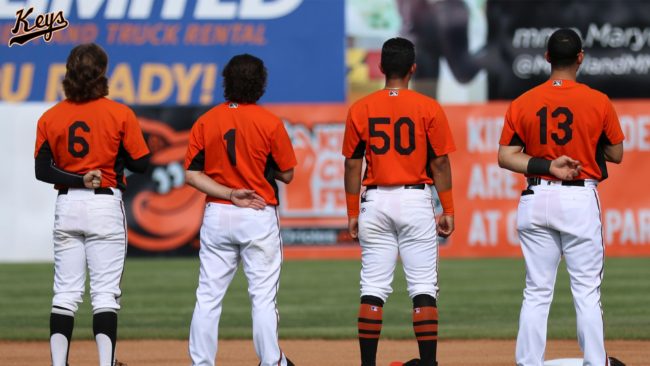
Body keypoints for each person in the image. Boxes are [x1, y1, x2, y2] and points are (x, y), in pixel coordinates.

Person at [497, 28, 626, 366]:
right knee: (586, 292)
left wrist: (546, 165)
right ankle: (595, 362)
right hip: (578, 199)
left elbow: (506, 156)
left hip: (535, 196)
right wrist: (587, 143)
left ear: (547, 58)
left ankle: (528, 362)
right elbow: (617, 153)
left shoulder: (523, 101)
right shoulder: (598, 101)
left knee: (537, 292)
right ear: (580, 57)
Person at [34, 43, 150, 366]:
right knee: (104, 294)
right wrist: (114, 160)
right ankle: (106, 363)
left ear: (69, 73)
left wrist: (76, 178)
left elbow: (42, 170)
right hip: (104, 206)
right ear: (102, 73)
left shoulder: (51, 116)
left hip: (67, 205)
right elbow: (142, 163)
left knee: (65, 294)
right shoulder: (119, 113)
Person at [343, 37, 456, 366]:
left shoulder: (360, 108)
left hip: (375, 201)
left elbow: (352, 164)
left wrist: (352, 213)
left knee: (373, 287)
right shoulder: (428, 107)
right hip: (415, 200)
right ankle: (429, 362)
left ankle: (367, 364)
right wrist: (447, 208)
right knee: (422, 286)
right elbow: (439, 164)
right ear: (413, 68)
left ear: (380, 68)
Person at [184, 54, 297, 366]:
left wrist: (230, 192)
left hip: (219, 211)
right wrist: (261, 169)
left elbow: (192, 175)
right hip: (258, 212)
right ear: (260, 83)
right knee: (262, 297)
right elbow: (287, 174)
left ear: (226, 81)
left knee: (208, 297)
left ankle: (202, 363)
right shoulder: (270, 122)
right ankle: (271, 361)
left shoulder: (206, 120)